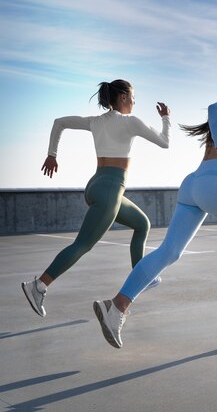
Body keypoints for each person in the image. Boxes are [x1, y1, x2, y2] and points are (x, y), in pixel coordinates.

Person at [93, 60, 217, 349]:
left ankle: (116, 306)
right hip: (216, 183)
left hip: (194, 184)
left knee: (169, 252)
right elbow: (216, 111)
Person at [21, 80, 170, 317]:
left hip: (96, 185)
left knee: (142, 224)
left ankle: (141, 276)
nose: (134, 101)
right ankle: (39, 286)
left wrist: (52, 155)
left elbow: (59, 122)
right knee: (82, 245)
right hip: (111, 188)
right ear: (122, 98)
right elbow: (165, 143)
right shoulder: (130, 122)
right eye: (133, 97)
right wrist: (165, 118)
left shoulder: (96, 121)